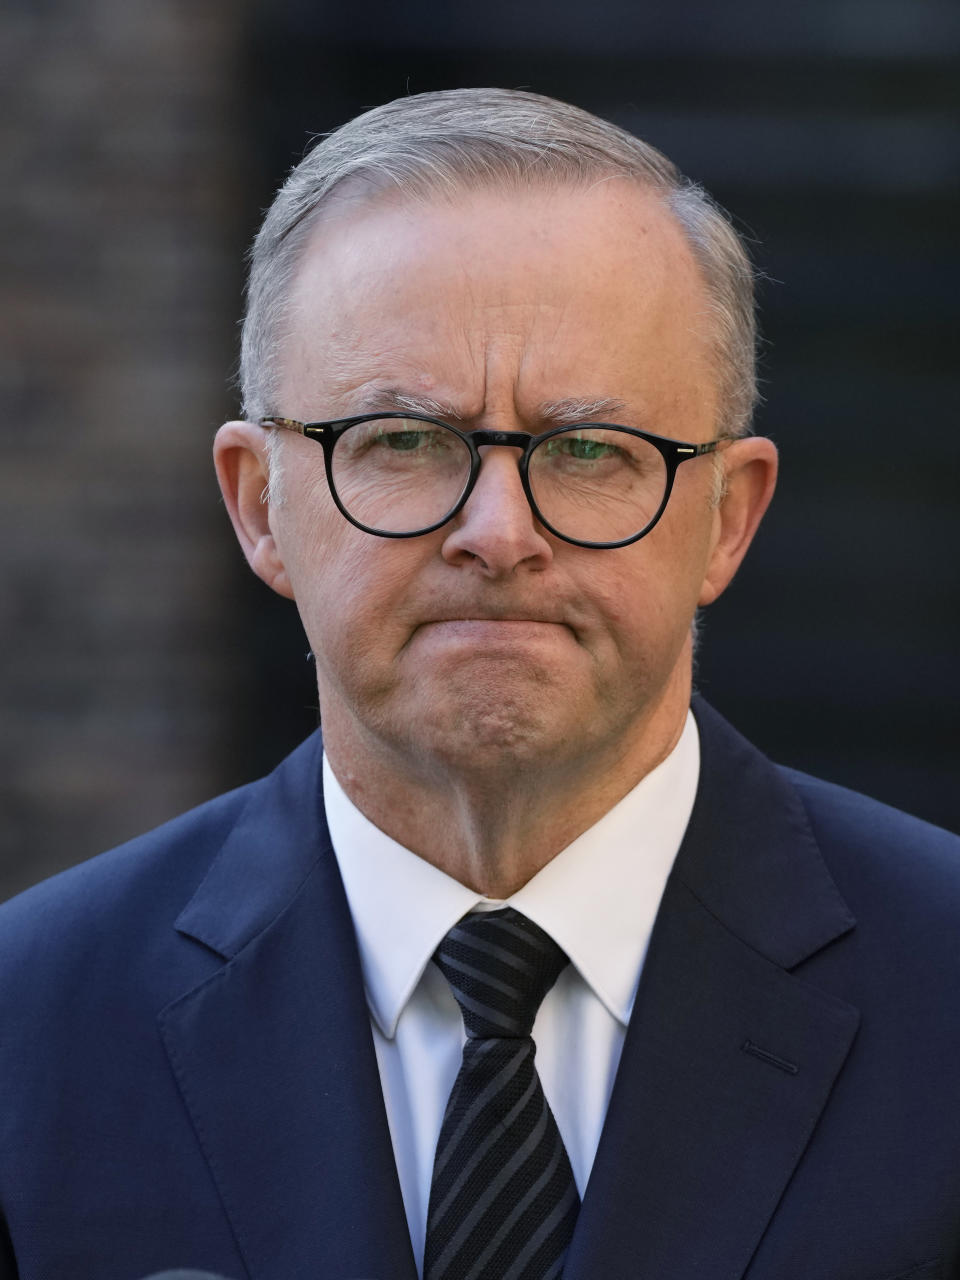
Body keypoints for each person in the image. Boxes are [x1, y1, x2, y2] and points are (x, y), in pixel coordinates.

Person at [0, 88, 958, 1280]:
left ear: (728, 517)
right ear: (260, 506)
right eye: (403, 441)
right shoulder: (27, 1031)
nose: (498, 531)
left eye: (592, 450)